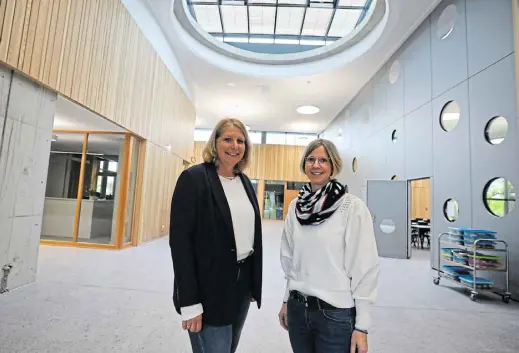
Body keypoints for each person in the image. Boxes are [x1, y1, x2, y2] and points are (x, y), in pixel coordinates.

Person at [170, 118, 263, 353]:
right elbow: (180, 244)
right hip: (208, 290)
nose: (235, 145)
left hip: (240, 289)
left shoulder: (244, 182)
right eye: (228, 139)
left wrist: (252, 284)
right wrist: (189, 302)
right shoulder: (194, 179)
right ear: (215, 142)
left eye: (240, 141)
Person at [278, 139, 379, 353]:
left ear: (333, 165)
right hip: (298, 310)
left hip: (335, 314)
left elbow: (365, 266)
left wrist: (362, 325)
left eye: (323, 160)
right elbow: (291, 261)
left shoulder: (351, 207)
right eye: (311, 159)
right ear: (304, 164)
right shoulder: (296, 207)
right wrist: (286, 300)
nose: (316, 165)